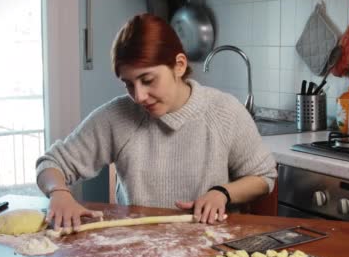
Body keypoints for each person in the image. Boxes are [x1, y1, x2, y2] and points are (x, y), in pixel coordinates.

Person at [36, 13, 277, 232]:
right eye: (129, 84)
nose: (139, 96)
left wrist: (222, 193)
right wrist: (59, 192)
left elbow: (263, 176)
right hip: (138, 248)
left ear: (179, 66)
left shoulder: (224, 111)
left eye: (148, 80)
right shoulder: (117, 116)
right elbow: (51, 163)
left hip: (212, 248)